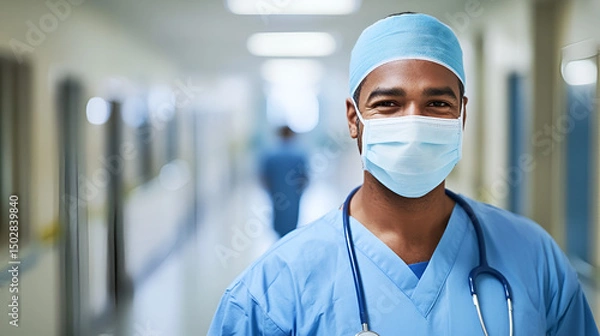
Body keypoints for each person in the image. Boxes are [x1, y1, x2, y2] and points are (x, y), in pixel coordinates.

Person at [209, 13, 598, 335]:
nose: (414, 123)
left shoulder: (536, 258)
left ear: (462, 114)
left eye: (437, 103)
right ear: (353, 119)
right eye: (388, 103)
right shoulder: (271, 291)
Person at [260, 126, 308, 238]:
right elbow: (305, 178)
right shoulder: (299, 155)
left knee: (279, 218)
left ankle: (279, 240)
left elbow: (264, 177)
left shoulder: (271, 155)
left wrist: (270, 191)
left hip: (276, 195)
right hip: (294, 196)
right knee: (292, 218)